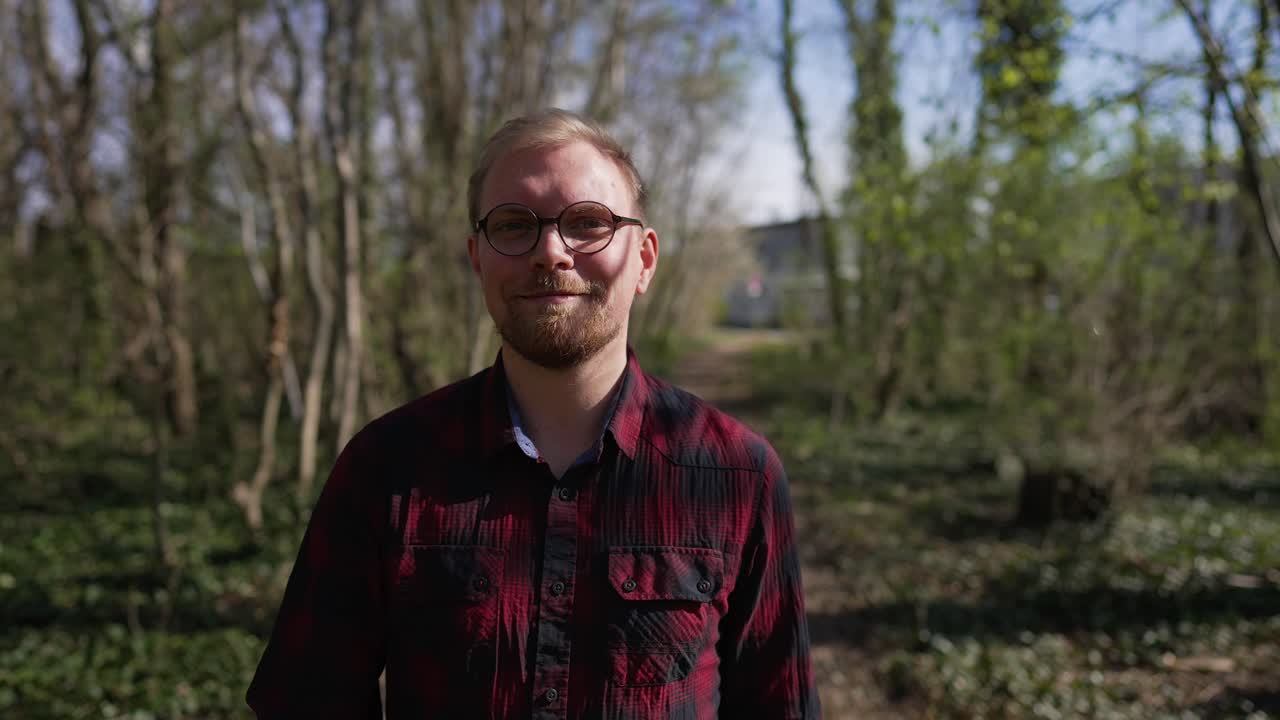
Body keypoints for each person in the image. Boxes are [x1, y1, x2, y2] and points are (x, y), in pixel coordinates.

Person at [246, 109, 820, 719]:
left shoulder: (737, 474)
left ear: (645, 261)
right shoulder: (386, 468)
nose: (550, 252)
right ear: (476, 259)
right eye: (515, 226)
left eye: (589, 224)